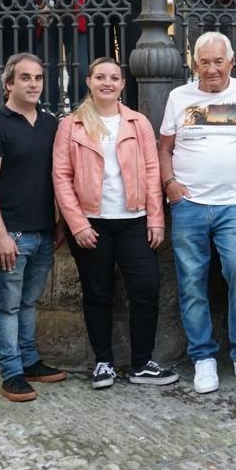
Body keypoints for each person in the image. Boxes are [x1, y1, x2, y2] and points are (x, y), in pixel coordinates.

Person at [53, 57, 178, 389]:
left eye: (114, 78)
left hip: (134, 220)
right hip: (92, 222)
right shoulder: (72, 124)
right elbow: (62, 178)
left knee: (146, 289)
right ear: (89, 82)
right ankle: (103, 363)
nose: (107, 83)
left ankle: (141, 364)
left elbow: (153, 173)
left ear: (123, 84)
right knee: (97, 293)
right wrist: (77, 223)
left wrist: (156, 218)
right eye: (100, 77)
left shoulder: (138, 123)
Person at [159, 32, 236, 394]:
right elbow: (165, 148)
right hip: (189, 203)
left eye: (217, 61)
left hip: (235, 202)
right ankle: (203, 358)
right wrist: (170, 184)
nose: (211, 69)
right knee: (191, 280)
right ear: (195, 64)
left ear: (230, 62)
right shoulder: (179, 97)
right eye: (204, 62)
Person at [0, 53, 66, 403]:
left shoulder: (50, 124)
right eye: (25, 78)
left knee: (29, 302)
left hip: (44, 231)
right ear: (9, 83)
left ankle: (30, 362)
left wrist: (58, 222)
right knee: (7, 305)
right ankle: (11, 372)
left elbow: (56, 178)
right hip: (11, 233)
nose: (33, 84)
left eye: (38, 78)